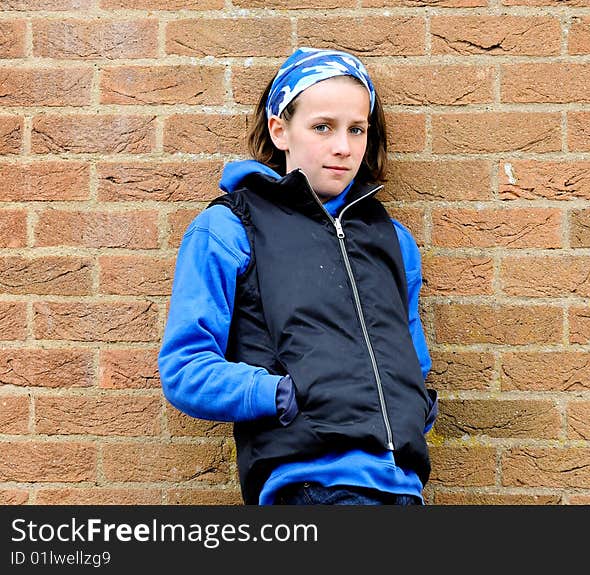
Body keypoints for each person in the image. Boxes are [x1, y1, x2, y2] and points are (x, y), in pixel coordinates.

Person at [158, 47, 437, 506]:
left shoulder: (394, 240)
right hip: (310, 487)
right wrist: (280, 394)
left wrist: (414, 405)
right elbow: (185, 369)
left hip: (404, 488)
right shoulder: (231, 227)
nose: (343, 147)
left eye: (357, 130)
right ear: (280, 129)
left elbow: (413, 356)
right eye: (323, 127)